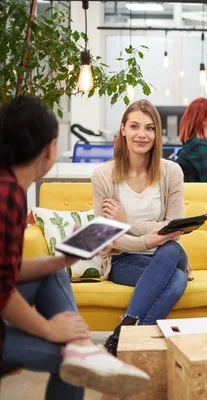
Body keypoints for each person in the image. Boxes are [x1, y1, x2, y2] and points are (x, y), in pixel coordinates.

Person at [0, 96, 150, 398]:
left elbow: (9, 269)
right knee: (70, 361)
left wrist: (62, 260)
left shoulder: (9, 186)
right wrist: (48, 330)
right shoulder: (7, 194)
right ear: (51, 148)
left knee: (51, 270)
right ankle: (83, 353)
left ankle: (83, 349)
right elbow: (3, 289)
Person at [92, 99, 189, 356]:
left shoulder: (172, 172)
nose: (141, 134)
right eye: (134, 126)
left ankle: (122, 334)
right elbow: (106, 238)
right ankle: (131, 342)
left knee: (170, 251)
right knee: (177, 279)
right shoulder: (103, 175)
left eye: (149, 128)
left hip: (167, 254)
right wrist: (147, 241)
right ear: (122, 129)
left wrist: (126, 224)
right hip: (122, 260)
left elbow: (174, 227)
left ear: (157, 133)